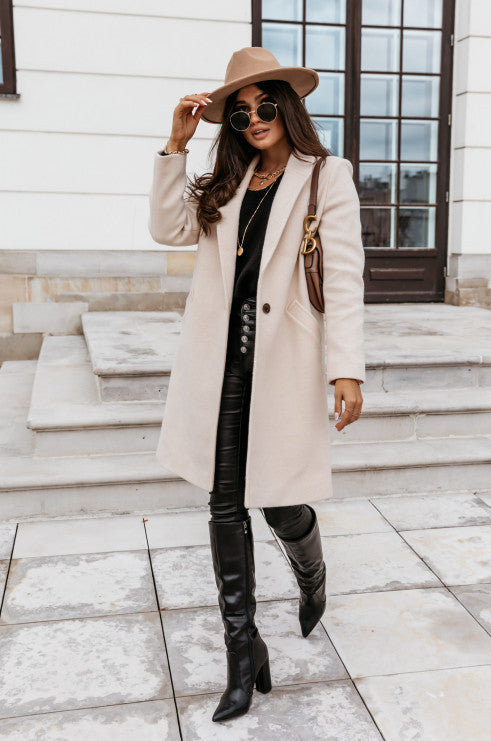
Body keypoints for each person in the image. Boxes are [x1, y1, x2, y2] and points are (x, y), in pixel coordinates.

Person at [148, 46, 365, 723]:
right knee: (223, 505)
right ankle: (243, 655)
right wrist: (176, 146)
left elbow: (345, 277)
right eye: (239, 113)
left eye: (264, 104)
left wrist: (346, 368)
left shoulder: (326, 175)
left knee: (277, 503)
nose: (254, 118)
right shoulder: (226, 181)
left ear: (287, 107)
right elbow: (168, 229)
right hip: (219, 367)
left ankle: (311, 573)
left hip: (282, 361)